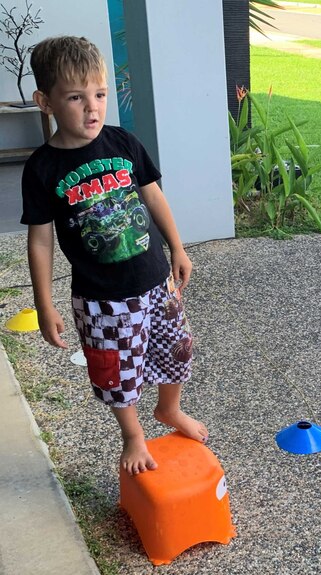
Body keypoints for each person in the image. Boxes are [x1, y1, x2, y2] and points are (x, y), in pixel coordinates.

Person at [20, 36, 207, 476]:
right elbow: (41, 241)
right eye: (76, 98)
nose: (93, 108)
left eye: (100, 95)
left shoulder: (122, 142)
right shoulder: (43, 168)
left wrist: (178, 247)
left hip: (157, 279)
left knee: (177, 350)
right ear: (45, 102)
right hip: (102, 299)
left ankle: (169, 409)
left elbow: (153, 197)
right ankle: (133, 434)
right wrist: (44, 305)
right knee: (116, 373)